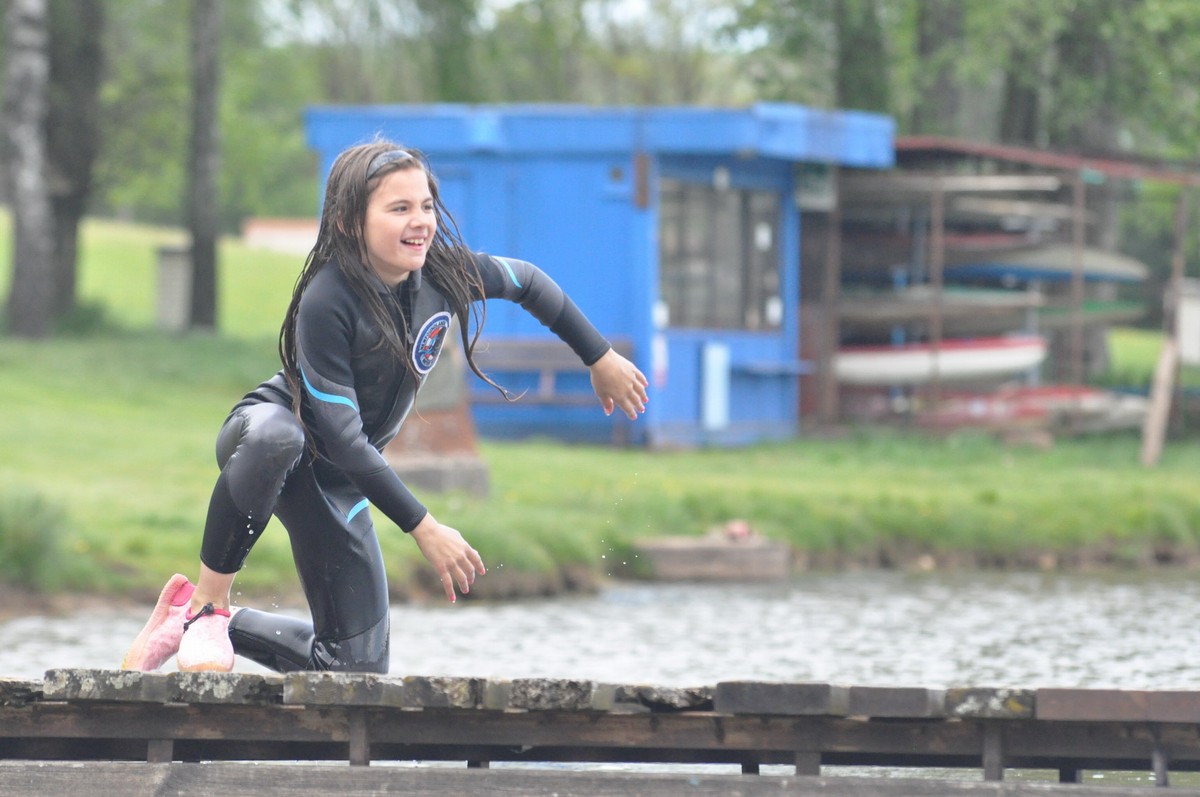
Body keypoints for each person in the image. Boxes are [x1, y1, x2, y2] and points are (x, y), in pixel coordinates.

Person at [120, 140, 649, 674]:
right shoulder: (327, 300)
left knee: (352, 671)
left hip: (339, 481)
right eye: (399, 208)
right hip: (267, 435)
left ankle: (190, 622)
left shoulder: (444, 275)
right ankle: (209, 605)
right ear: (350, 222)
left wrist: (599, 356)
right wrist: (424, 526)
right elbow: (344, 438)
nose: (420, 221)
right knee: (281, 438)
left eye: (426, 205)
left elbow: (528, 282)